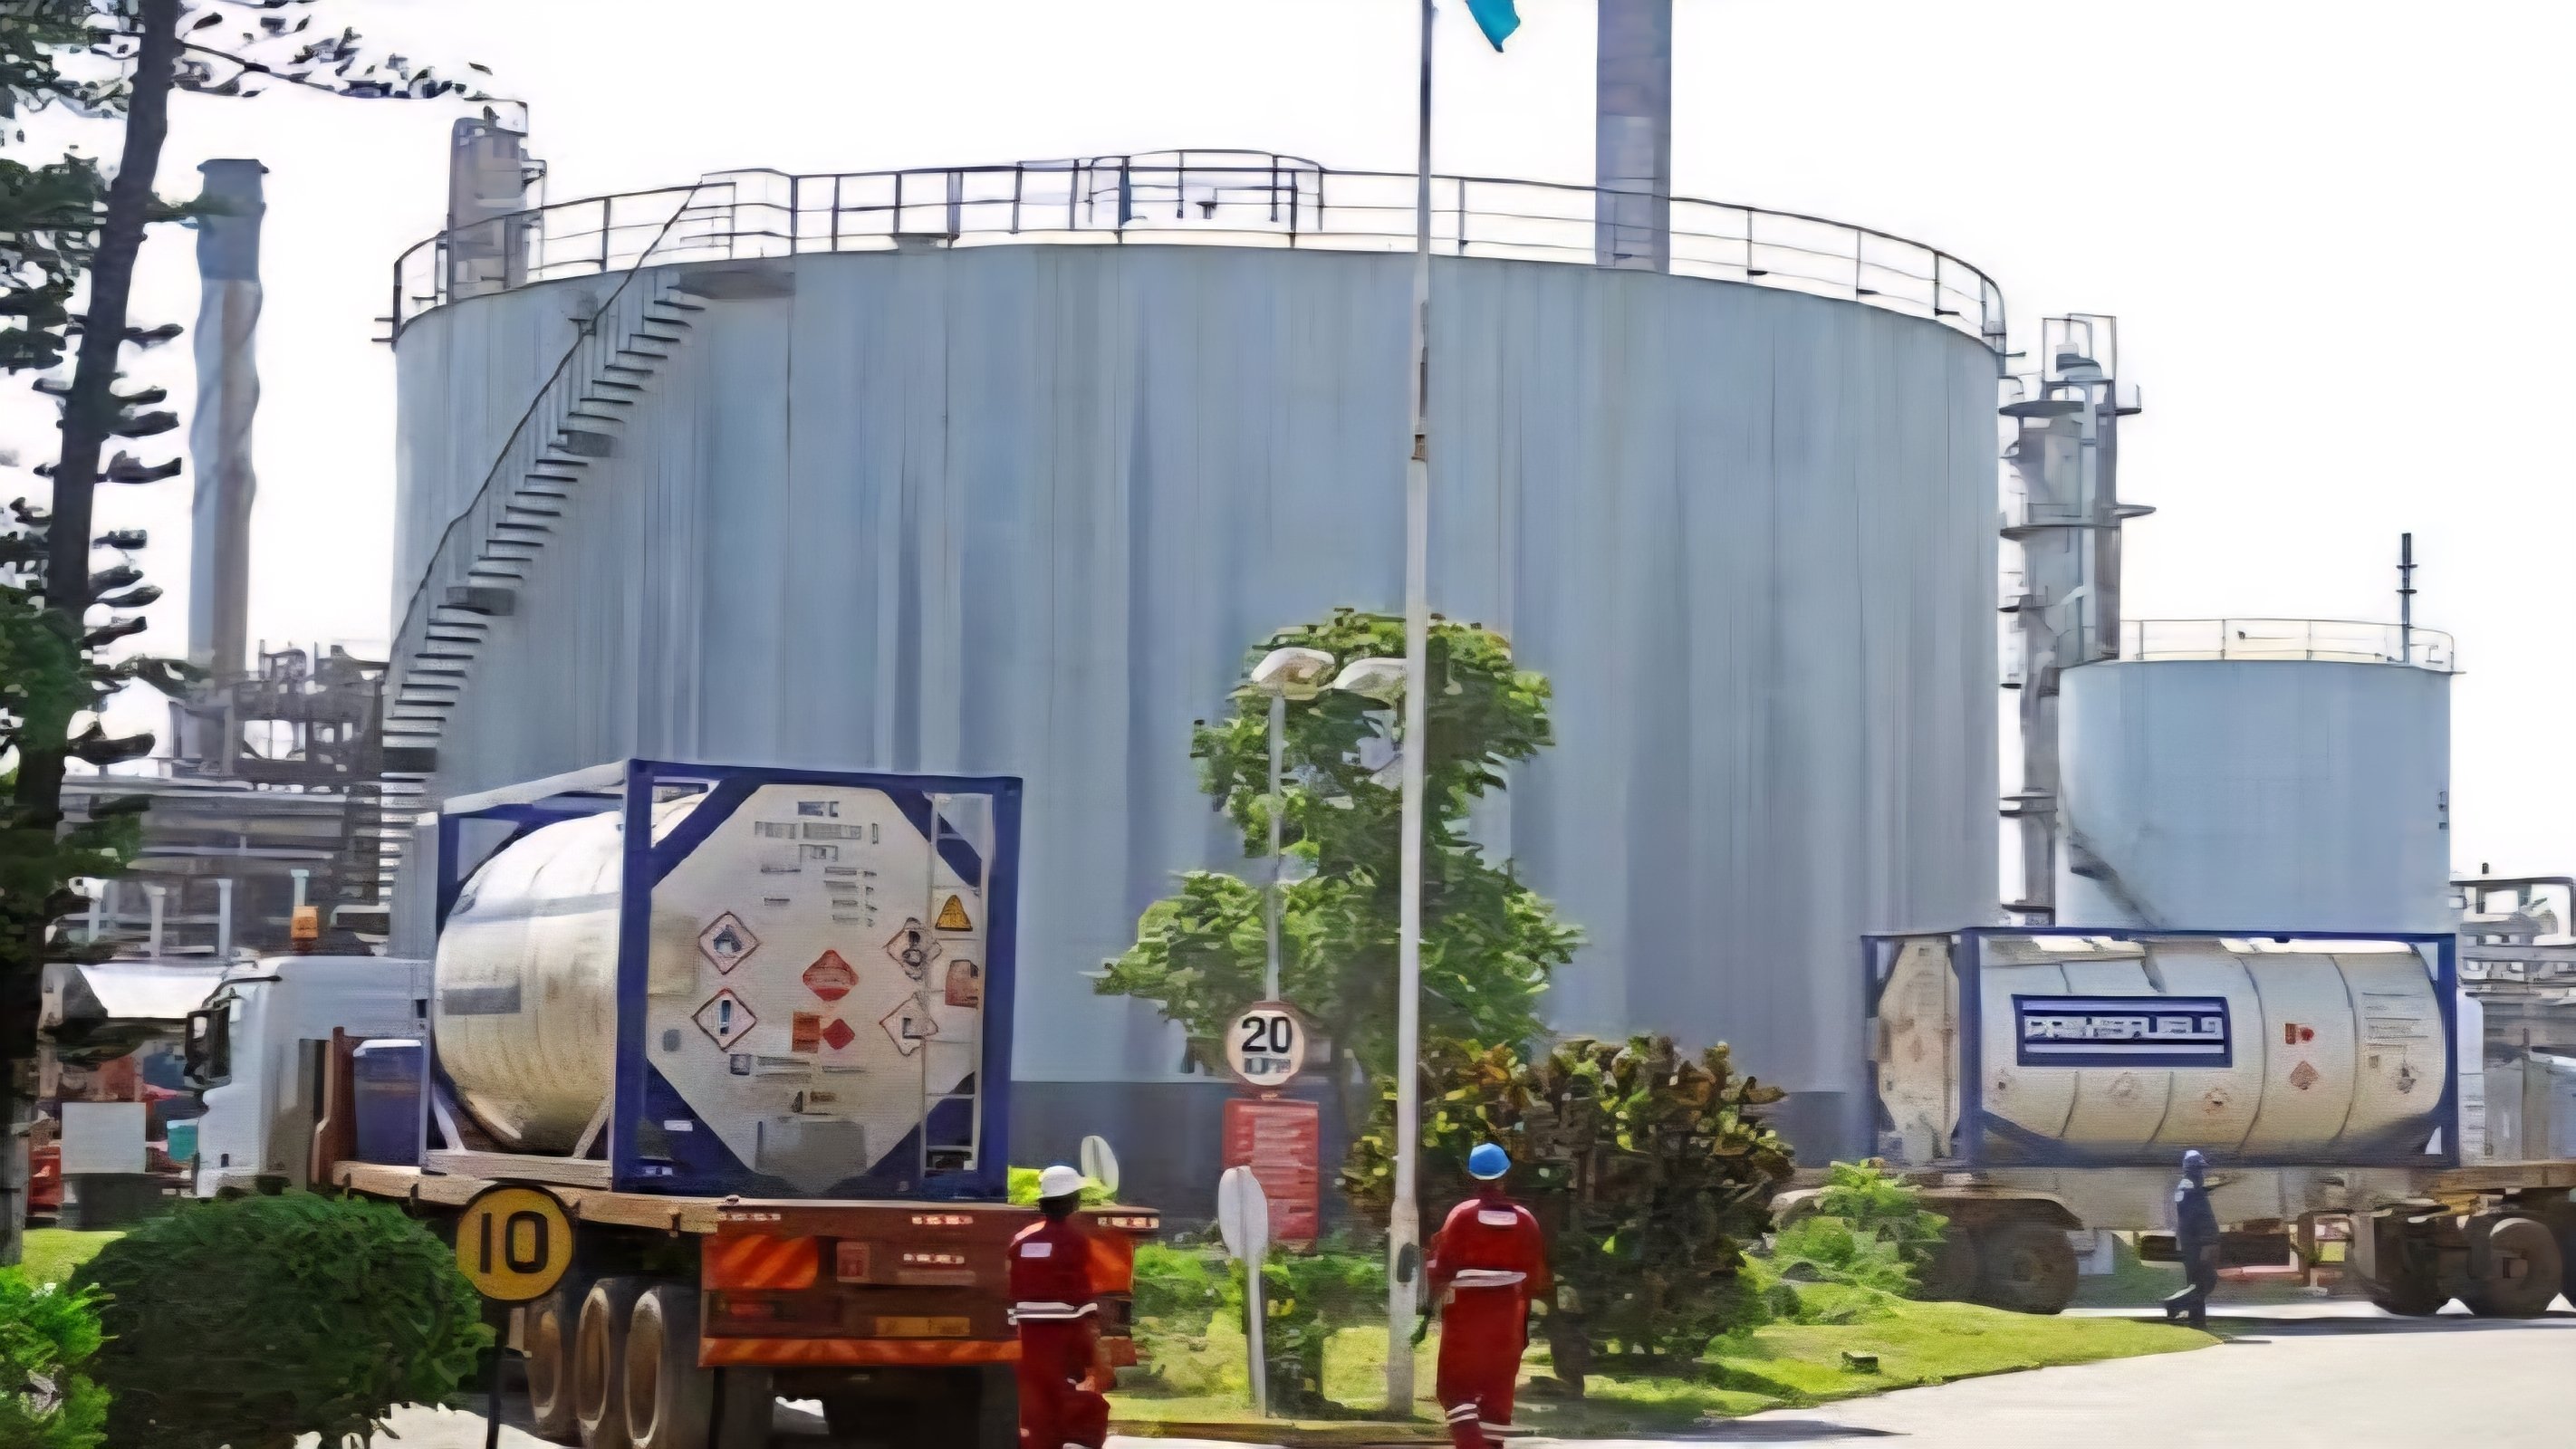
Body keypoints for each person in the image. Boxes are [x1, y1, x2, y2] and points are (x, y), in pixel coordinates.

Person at [1425, 1143, 1552, 1449]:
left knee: (1457, 1391)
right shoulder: (1525, 1220)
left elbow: (1441, 1268)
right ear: (1505, 1175)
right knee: (1498, 1396)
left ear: (1472, 1176)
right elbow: (1537, 1276)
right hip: (1510, 1319)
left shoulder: (1462, 1217)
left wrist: (1429, 1298)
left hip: (1466, 1318)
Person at [1010, 1164, 1110, 1449]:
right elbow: (1081, 1296)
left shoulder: (1022, 1240)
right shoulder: (1075, 1242)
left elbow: (1011, 1287)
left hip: (1026, 1339)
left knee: (1033, 1408)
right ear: (1073, 1202)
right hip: (1065, 1337)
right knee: (1073, 1399)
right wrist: (1092, 1349)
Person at [2161, 1148, 2220, 1329]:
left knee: (2198, 1282)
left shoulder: (2190, 1187)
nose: (2202, 1173)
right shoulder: (2190, 1188)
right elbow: (2198, 1217)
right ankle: (2174, 1304)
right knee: (2204, 1281)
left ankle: (2197, 1320)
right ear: (2192, 1169)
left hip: (2194, 1243)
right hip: (2197, 1244)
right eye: (2199, 1169)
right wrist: (2207, 1242)